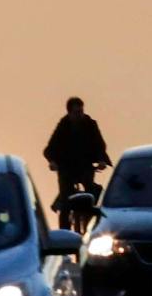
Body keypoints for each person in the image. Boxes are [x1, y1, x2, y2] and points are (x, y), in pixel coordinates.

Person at [44, 97, 111, 228]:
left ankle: (92, 226)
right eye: (76, 112)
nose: (79, 115)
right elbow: (50, 148)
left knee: (92, 195)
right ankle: (64, 232)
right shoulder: (63, 126)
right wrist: (52, 162)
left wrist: (102, 160)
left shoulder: (90, 124)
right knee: (65, 201)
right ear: (69, 113)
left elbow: (99, 144)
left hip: (85, 166)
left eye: (81, 111)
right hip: (66, 167)